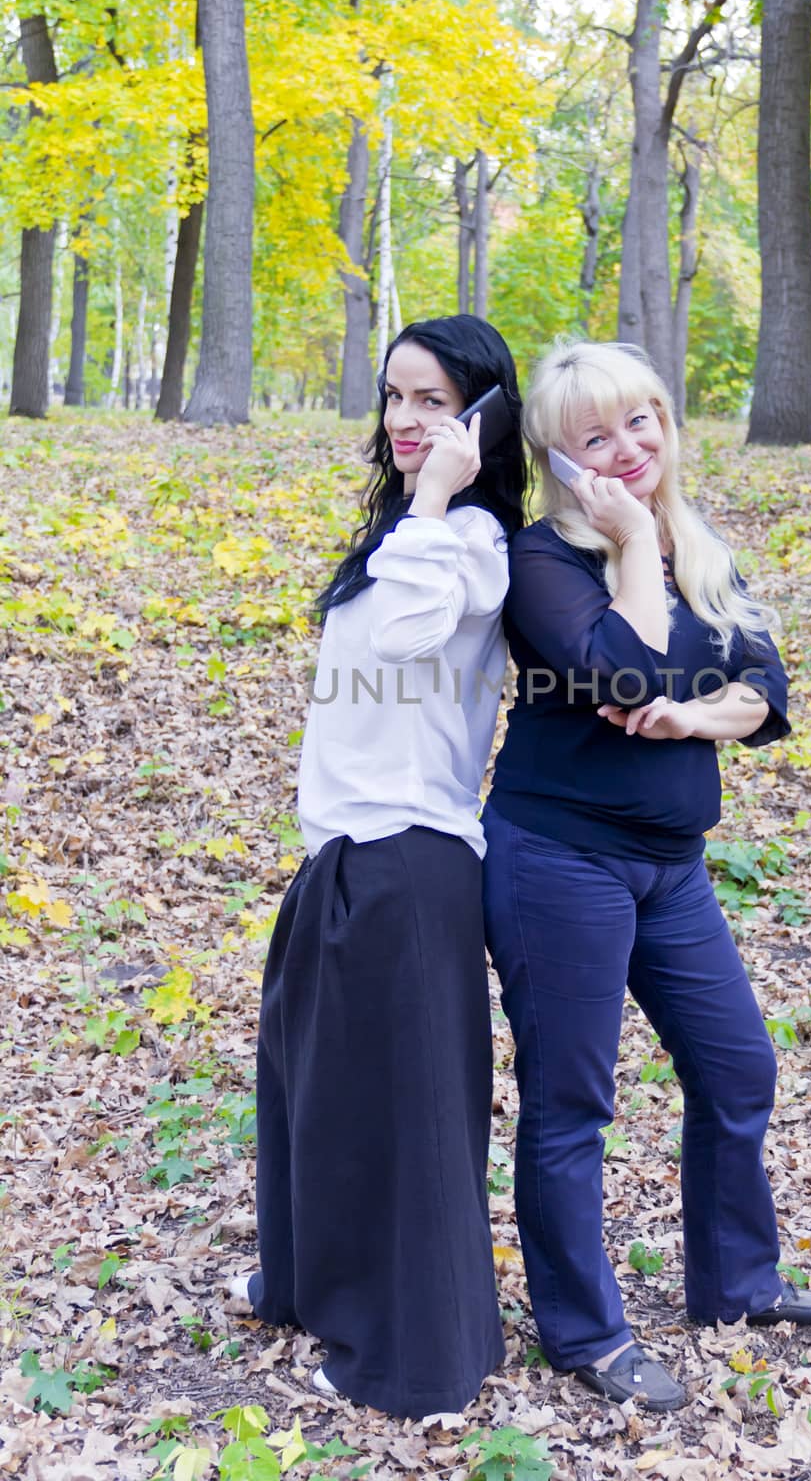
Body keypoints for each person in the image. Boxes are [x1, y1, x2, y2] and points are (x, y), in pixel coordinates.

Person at [482, 341, 811, 1413]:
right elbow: (622, 666)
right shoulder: (540, 561)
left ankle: (735, 1282)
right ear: (557, 457)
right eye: (595, 436)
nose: (628, 447)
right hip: (559, 861)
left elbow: (764, 689)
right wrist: (632, 541)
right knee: (569, 1099)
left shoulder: (700, 545)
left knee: (736, 1069)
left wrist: (692, 715)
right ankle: (584, 1333)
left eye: (641, 420)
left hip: (670, 870)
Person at [233, 315, 527, 1419]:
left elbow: (406, 640)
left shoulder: (469, 542)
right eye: (395, 397)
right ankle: (314, 1287)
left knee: (403, 1121)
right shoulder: (406, 531)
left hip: (411, 860)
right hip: (347, 848)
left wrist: (440, 498)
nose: (407, 420)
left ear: (481, 420)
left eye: (435, 402)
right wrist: (417, 506)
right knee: (323, 1097)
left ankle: (418, 1363)